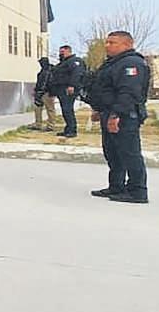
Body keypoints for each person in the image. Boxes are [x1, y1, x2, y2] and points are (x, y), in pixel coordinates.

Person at [86, 31, 152, 204]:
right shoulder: (113, 63)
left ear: (127, 44)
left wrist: (116, 115)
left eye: (112, 42)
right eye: (107, 42)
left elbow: (128, 93)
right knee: (113, 153)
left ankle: (137, 191)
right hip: (108, 112)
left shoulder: (132, 63)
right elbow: (105, 89)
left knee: (129, 153)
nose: (107, 45)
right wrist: (98, 109)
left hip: (124, 115)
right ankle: (116, 186)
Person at [51, 46, 86, 137]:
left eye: (62, 51)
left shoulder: (75, 61)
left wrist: (72, 85)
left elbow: (77, 74)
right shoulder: (63, 63)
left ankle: (72, 130)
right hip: (61, 89)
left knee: (68, 109)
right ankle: (68, 129)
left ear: (68, 51)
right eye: (60, 52)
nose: (61, 53)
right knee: (65, 110)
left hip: (68, 89)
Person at [30, 56, 59, 132]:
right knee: (38, 108)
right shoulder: (44, 71)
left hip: (48, 93)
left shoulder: (49, 71)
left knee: (50, 109)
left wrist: (39, 91)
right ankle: (38, 124)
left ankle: (50, 125)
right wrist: (36, 91)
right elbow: (40, 83)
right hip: (42, 92)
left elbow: (44, 83)